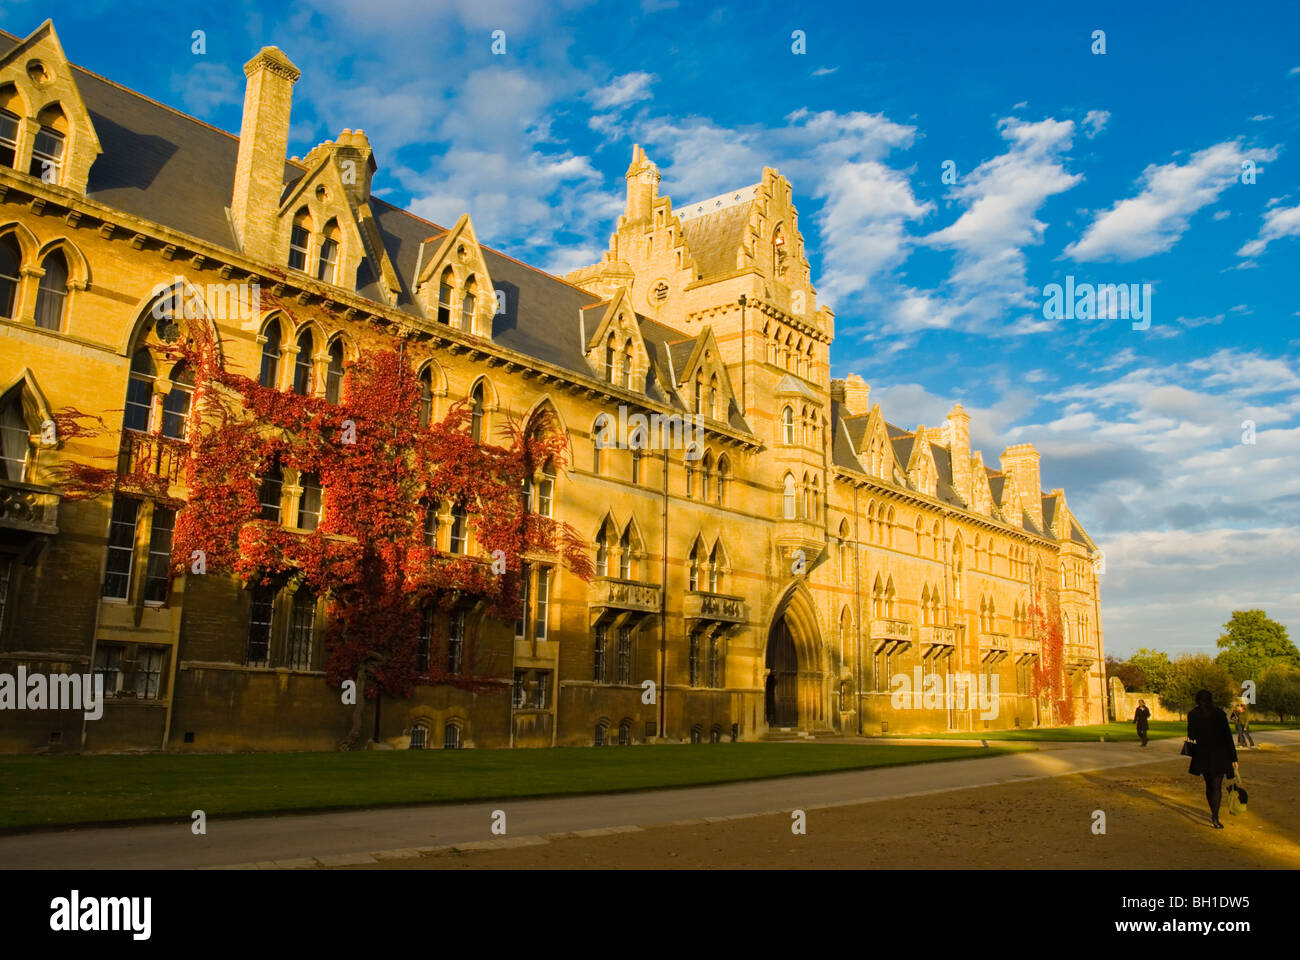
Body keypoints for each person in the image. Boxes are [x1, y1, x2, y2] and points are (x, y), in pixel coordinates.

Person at [1187, 689, 1238, 828]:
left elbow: (1191, 735)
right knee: (1216, 786)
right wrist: (1234, 757)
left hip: (1202, 753)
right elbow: (1227, 737)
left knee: (1209, 785)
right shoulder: (1219, 713)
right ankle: (1215, 816)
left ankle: (1213, 812)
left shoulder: (1192, 714)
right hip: (1220, 753)